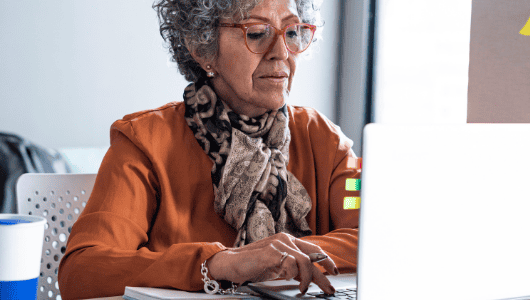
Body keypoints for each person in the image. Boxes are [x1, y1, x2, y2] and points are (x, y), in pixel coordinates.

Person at [57, 0, 360, 298]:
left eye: (292, 32)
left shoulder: (326, 141)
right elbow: (83, 270)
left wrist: (280, 259)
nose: (282, 53)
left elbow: (371, 238)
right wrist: (220, 263)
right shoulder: (144, 142)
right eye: (256, 32)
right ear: (202, 47)